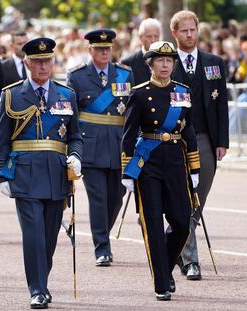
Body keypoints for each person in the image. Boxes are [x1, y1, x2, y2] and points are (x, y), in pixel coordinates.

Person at [0, 37, 82, 309]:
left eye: (47, 61)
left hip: (56, 174)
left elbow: (76, 135)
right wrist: (1, 173)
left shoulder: (66, 95)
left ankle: (41, 282)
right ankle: (38, 290)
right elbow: (2, 139)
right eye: (37, 62)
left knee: (49, 236)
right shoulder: (11, 95)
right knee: (33, 234)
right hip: (25, 173)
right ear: (27, 63)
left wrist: (76, 156)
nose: (43, 67)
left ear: (53, 62)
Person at [121, 41, 200, 300]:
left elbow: (188, 131)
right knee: (153, 223)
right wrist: (127, 171)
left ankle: (165, 267)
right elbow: (129, 134)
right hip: (149, 163)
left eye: (169, 61)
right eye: (160, 61)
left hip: (176, 160)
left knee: (181, 221)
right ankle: (161, 283)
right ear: (151, 64)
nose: (165, 65)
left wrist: (195, 166)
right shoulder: (140, 93)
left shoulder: (182, 92)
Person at [67, 29, 133, 267]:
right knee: (98, 198)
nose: (104, 52)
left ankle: (102, 233)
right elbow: (71, 115)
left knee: (117, 197)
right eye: (99, 49)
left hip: (118, 144)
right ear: (90, 50)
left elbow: (132, 111)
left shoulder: (125, 74)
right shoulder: (77, 77)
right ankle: (102, 248)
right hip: (91, 146)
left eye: (107, 48)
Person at [170, 10, 229, 281]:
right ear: (175, 33)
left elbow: (221, 106)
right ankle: (191, 260)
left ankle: (174, 241)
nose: (190, 35)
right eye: (184, 31)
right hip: (175, 141)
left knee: (198, 199)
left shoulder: (213, 62)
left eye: (193, 30)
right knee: (183, 197)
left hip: (205, 139)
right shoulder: (165, 62)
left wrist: (223, 142)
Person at [121, 18, 161, 85]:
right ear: (140, 37)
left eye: (156, 36)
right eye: (149, 36)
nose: (153, 40)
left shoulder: (168, 60)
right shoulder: (128, 63)